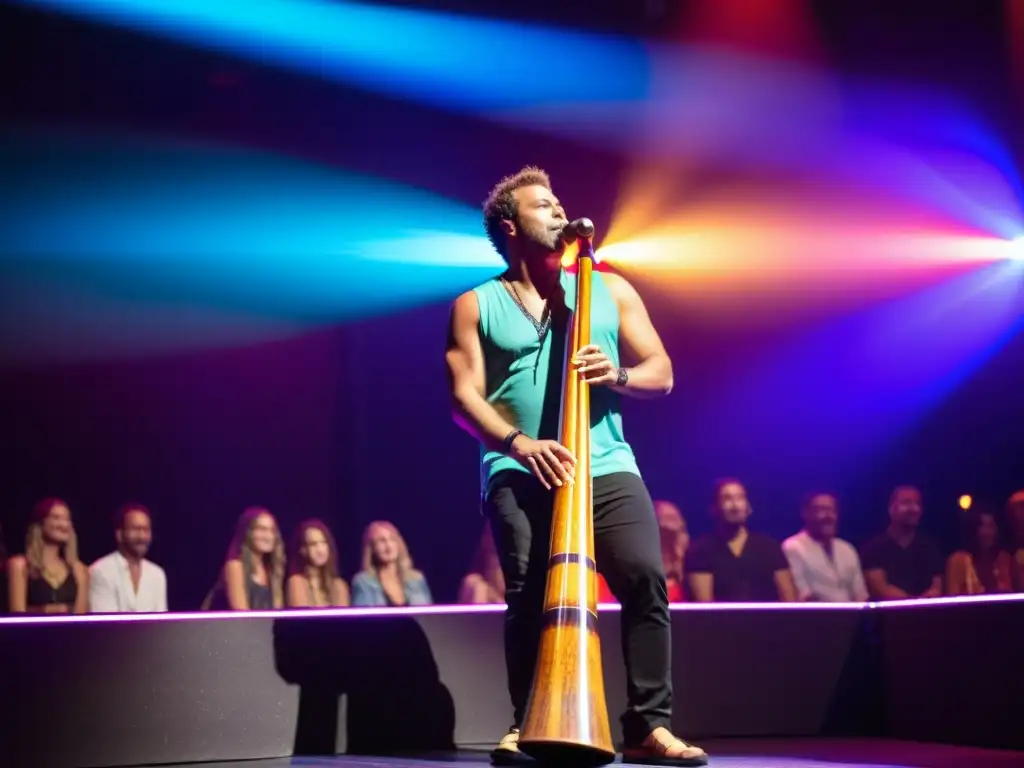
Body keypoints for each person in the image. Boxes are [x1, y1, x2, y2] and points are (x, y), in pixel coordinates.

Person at [446, 166, 706, 766]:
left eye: (560, 201)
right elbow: (463, 397)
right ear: (510, 226)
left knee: (643, 576)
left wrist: (615, 374)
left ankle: (648, 727)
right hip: (520, 467)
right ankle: (527, 721)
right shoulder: (475, 303)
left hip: (606, 462)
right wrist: (518, 444)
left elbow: (661, 372)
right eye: (543, 206)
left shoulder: (608, 291)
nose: (559, 211)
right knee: (529, 591)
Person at [90, 503, 168, 613]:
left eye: (146, 530)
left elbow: (161, 623)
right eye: (136, 529)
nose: (142, 536)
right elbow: (105, 624)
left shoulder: (157, 574)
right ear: (119, 534)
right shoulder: (101, 570)